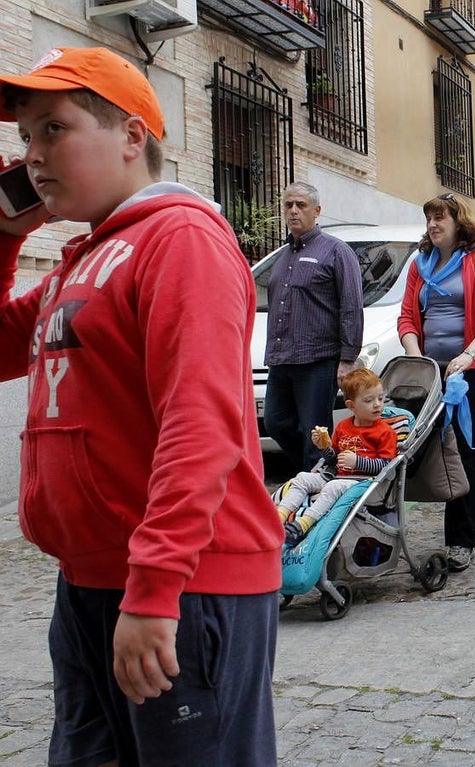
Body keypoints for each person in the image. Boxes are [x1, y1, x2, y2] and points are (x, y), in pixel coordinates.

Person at [0, 47, 280, 763]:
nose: (32, 154)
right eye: (25, 136)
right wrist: (4, 235)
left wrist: (155, 589)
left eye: (53, 128)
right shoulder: (84, 258)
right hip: (93, 582)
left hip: (183, 583)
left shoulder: (180, 239)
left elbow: (200, 422)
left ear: (131, 135)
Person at [398, 193, 475, 572]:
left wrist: (469, 355)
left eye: (440, 217)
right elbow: (408, 318)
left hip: (473, 368)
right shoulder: (420, 265)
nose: (433, 224)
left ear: (458, 221)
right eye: (429, 218)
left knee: (461, 447)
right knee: (443, 445)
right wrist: (417, 356)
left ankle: (459, 541)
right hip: (433, 367)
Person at [264, 181, 364, 471]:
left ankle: (315, 486)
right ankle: (323, 468)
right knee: (275, 421)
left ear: (317, 211)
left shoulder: (335, 251)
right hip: (282, 359)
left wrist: (347, 358)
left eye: (301, 205)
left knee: (314, 432)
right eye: (288, 205)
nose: (293, 211)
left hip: (317, 360)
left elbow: (351, 306)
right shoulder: (282, 257)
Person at [277, 367, 399, 546]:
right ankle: (278, 517)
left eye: (381, 398)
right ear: (351, 406)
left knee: (333, 487)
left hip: (364, 482)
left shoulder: (384, 432)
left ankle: (303, 524)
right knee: (302, 477)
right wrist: (323, 447)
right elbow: (333, 459)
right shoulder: (343, 427)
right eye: (369, 400)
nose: (377, 404)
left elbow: (387, 464)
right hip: (336, 475)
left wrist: (358, 461)